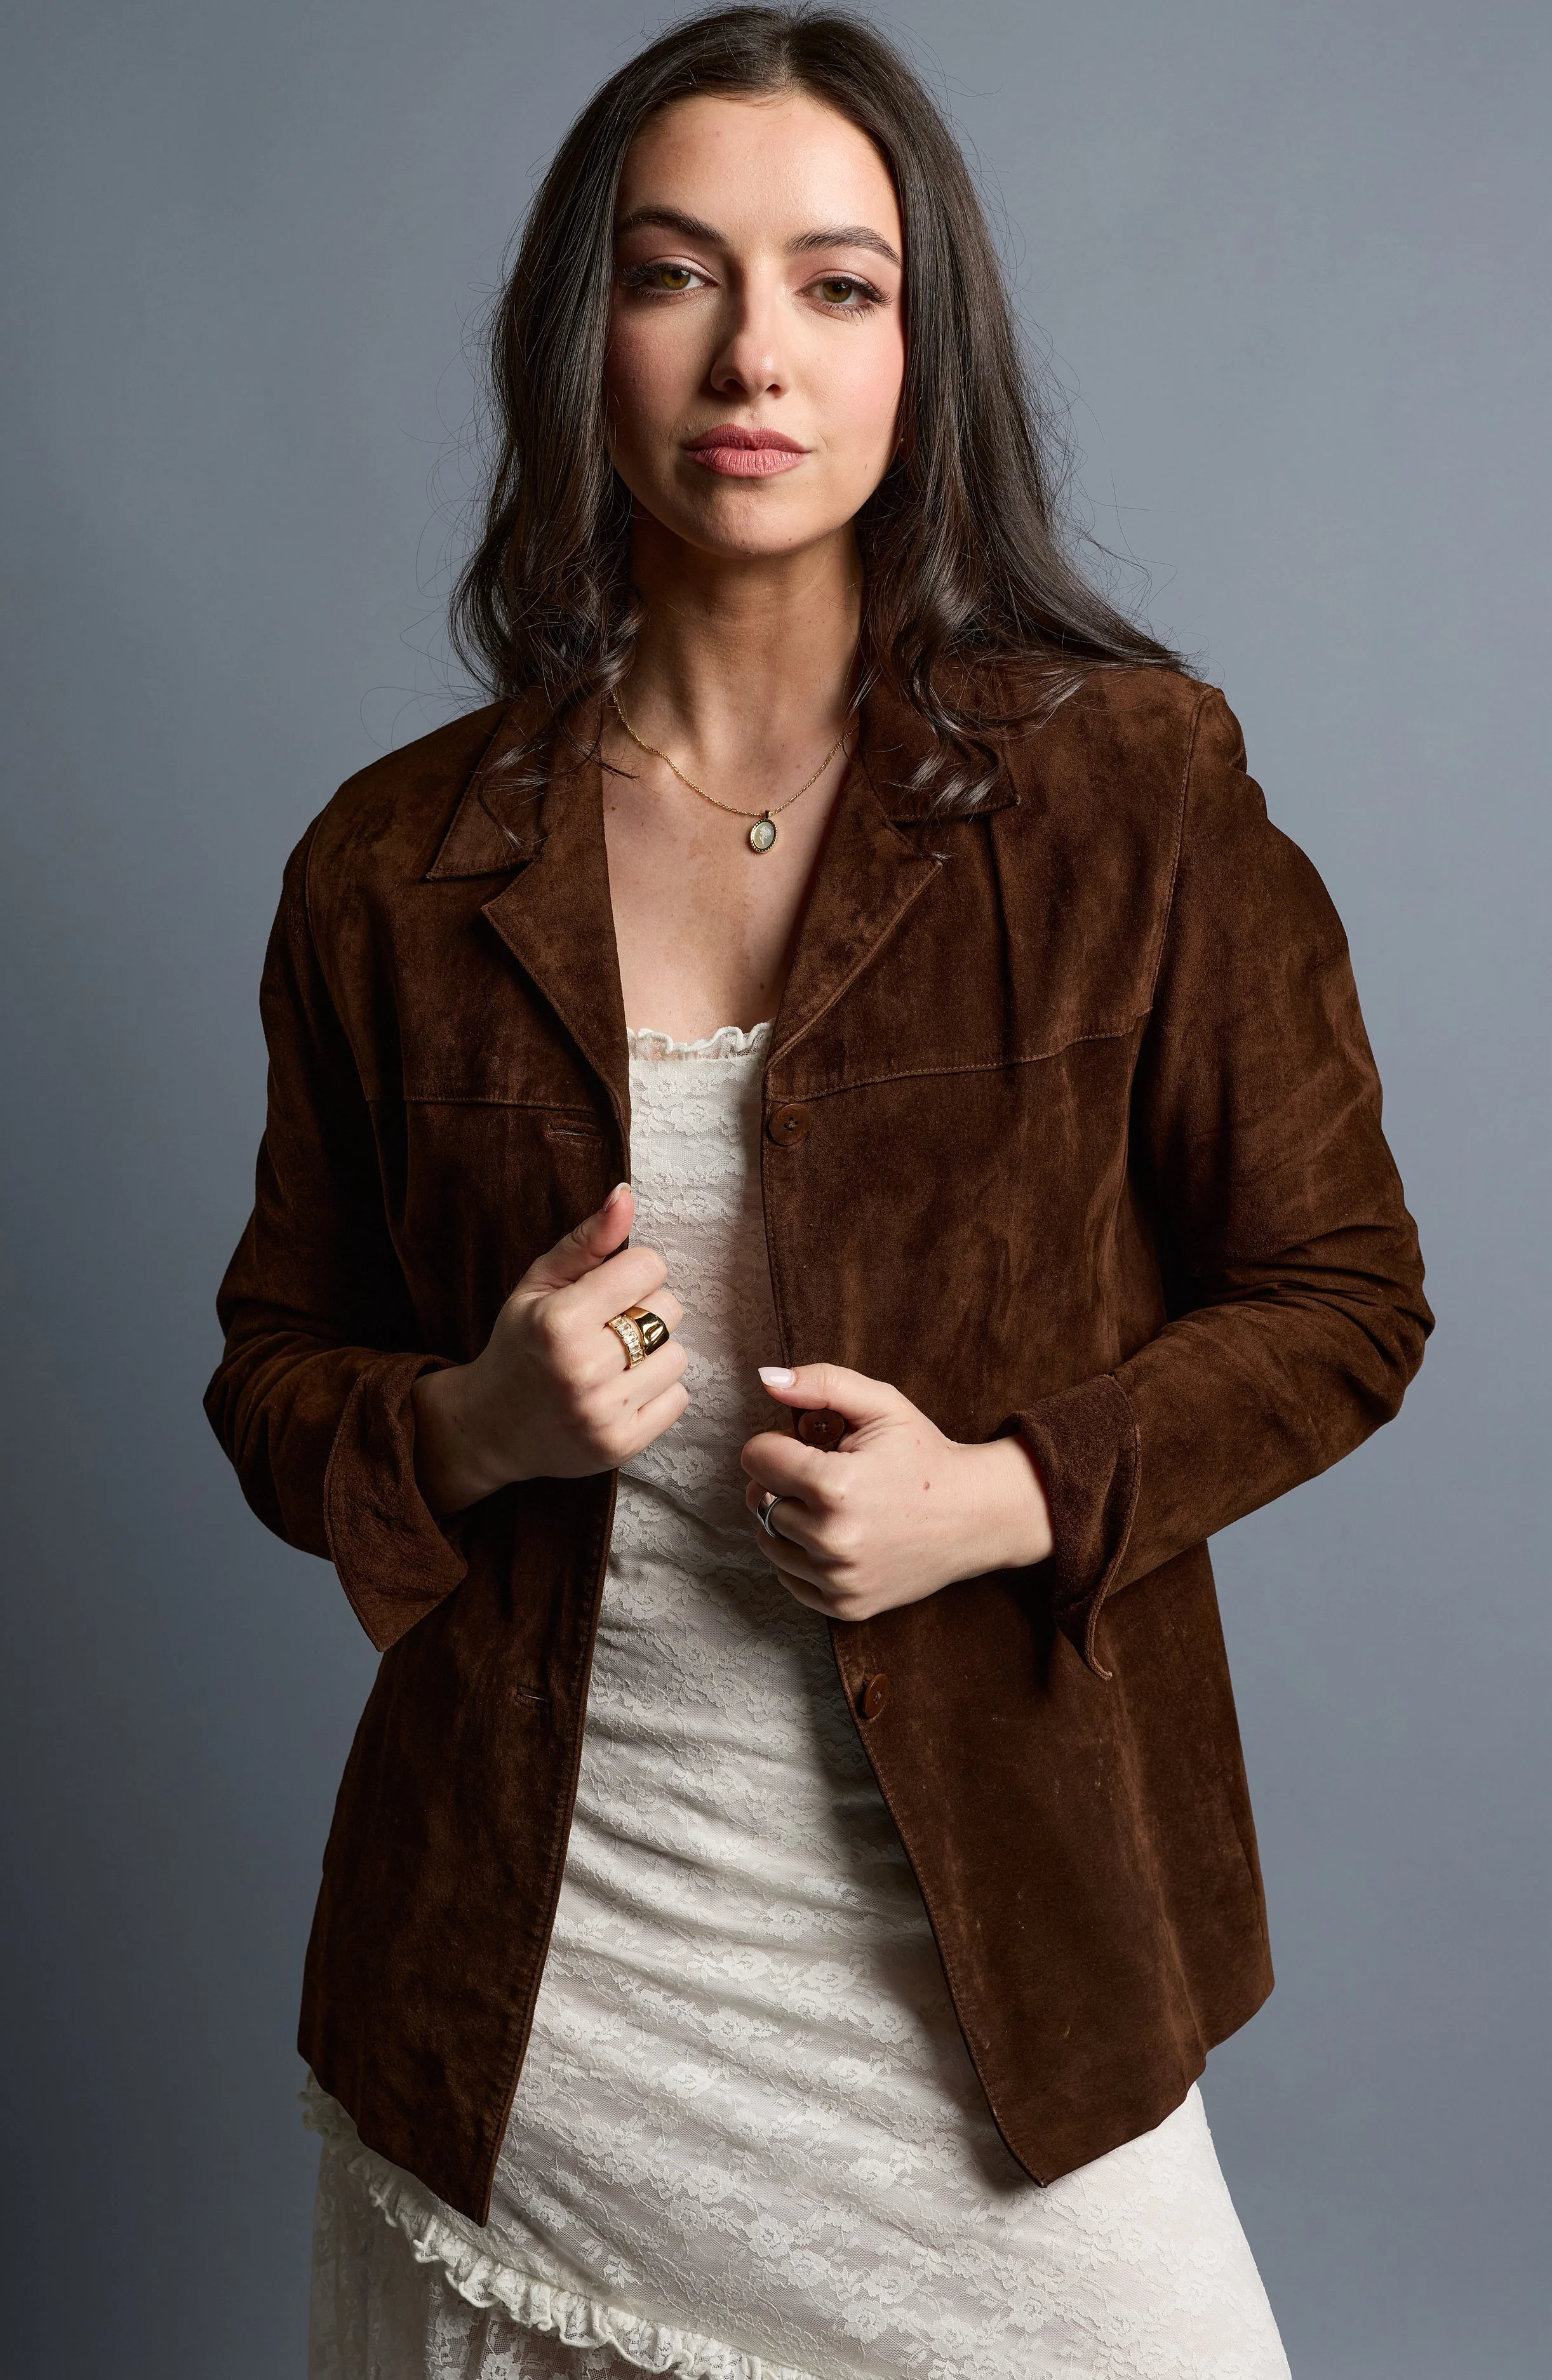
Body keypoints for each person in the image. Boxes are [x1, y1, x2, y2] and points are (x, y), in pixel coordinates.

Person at [204, 10, 1431, 2376]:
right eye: (676, 275)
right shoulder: (389, 861)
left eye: (837, 283)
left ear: (920, 346)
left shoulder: (1127, 794)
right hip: (522, 2005)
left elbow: (1343, 1294)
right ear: (582, 336)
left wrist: (1010, 1491)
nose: (754, 350)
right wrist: (472, 1421)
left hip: (995, 1967)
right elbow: (274, 1369)